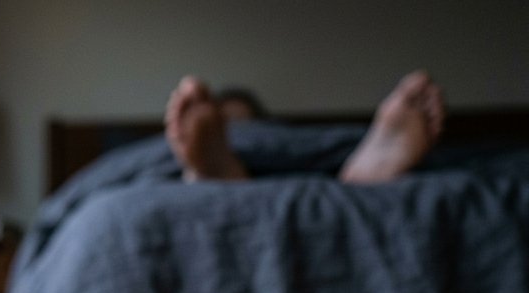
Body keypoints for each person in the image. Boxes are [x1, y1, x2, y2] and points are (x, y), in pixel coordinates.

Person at [164, 70, 446, 184]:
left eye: (247, 125)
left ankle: (224, 176)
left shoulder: (281, 133)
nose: (240, 132)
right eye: (227, 126)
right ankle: (353, 182)